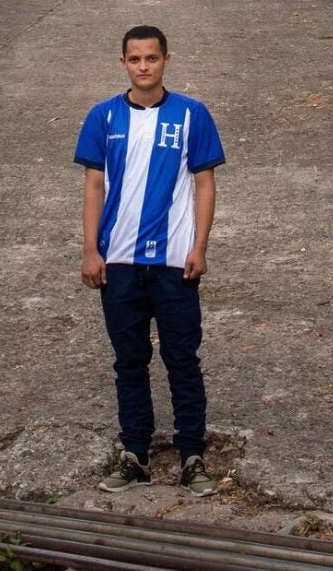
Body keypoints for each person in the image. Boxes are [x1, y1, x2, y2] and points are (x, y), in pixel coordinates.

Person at [73, 25, 225, 497]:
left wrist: (199, 246)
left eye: (152, 58)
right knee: (130, 361)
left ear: (166, 60)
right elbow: (94, 186)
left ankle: (192, 457)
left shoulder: (191, 115)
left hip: (174, 263)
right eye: (135, 59)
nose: (144, 66)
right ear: (123, 63)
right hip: (117, 261)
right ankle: (134, 455)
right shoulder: (102, 117)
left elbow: (204, 184)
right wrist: (90, 249)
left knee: (182, 358)